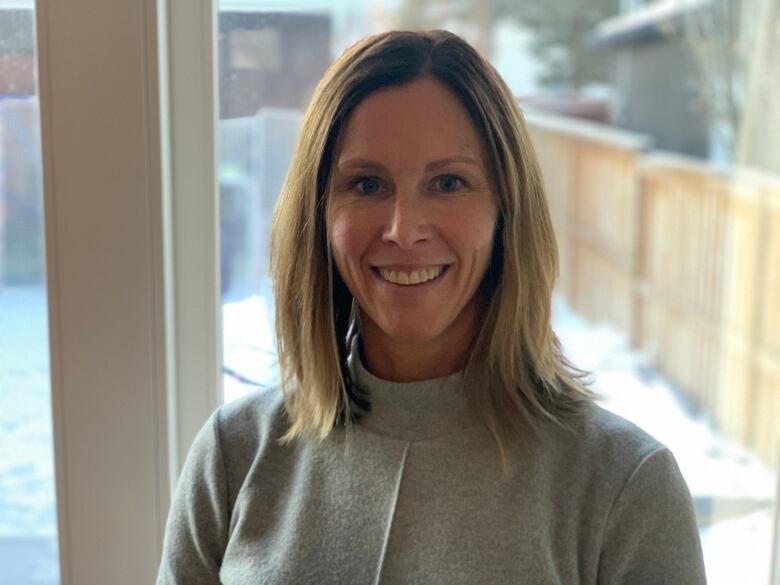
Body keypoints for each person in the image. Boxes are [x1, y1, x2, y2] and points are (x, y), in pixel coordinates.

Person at [157, 30, 707, 584]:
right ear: (319, 215)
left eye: (448, 182)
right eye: (367, 184)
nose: (403, 230)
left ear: (505, 211)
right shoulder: (233, 455)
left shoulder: (626, 489)